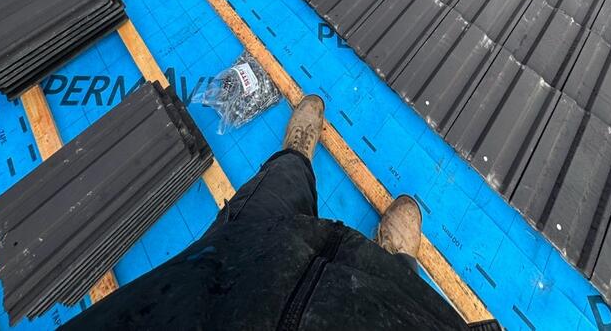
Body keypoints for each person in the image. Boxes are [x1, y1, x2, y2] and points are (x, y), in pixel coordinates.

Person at [64, 96, 497, 331]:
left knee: (282, 180)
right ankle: (395, 262)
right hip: (380, 311)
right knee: (395, 284)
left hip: (236, 267)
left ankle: (296, 155)